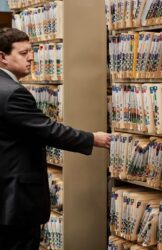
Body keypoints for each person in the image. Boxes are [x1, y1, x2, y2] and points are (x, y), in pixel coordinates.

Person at [0, 27, 111, 250]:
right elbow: (47, 130)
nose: (31, 58)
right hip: (16, 200)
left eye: (31, 51)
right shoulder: (12, 93)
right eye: (23, 53)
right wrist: (93, 139)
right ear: (2, 57)